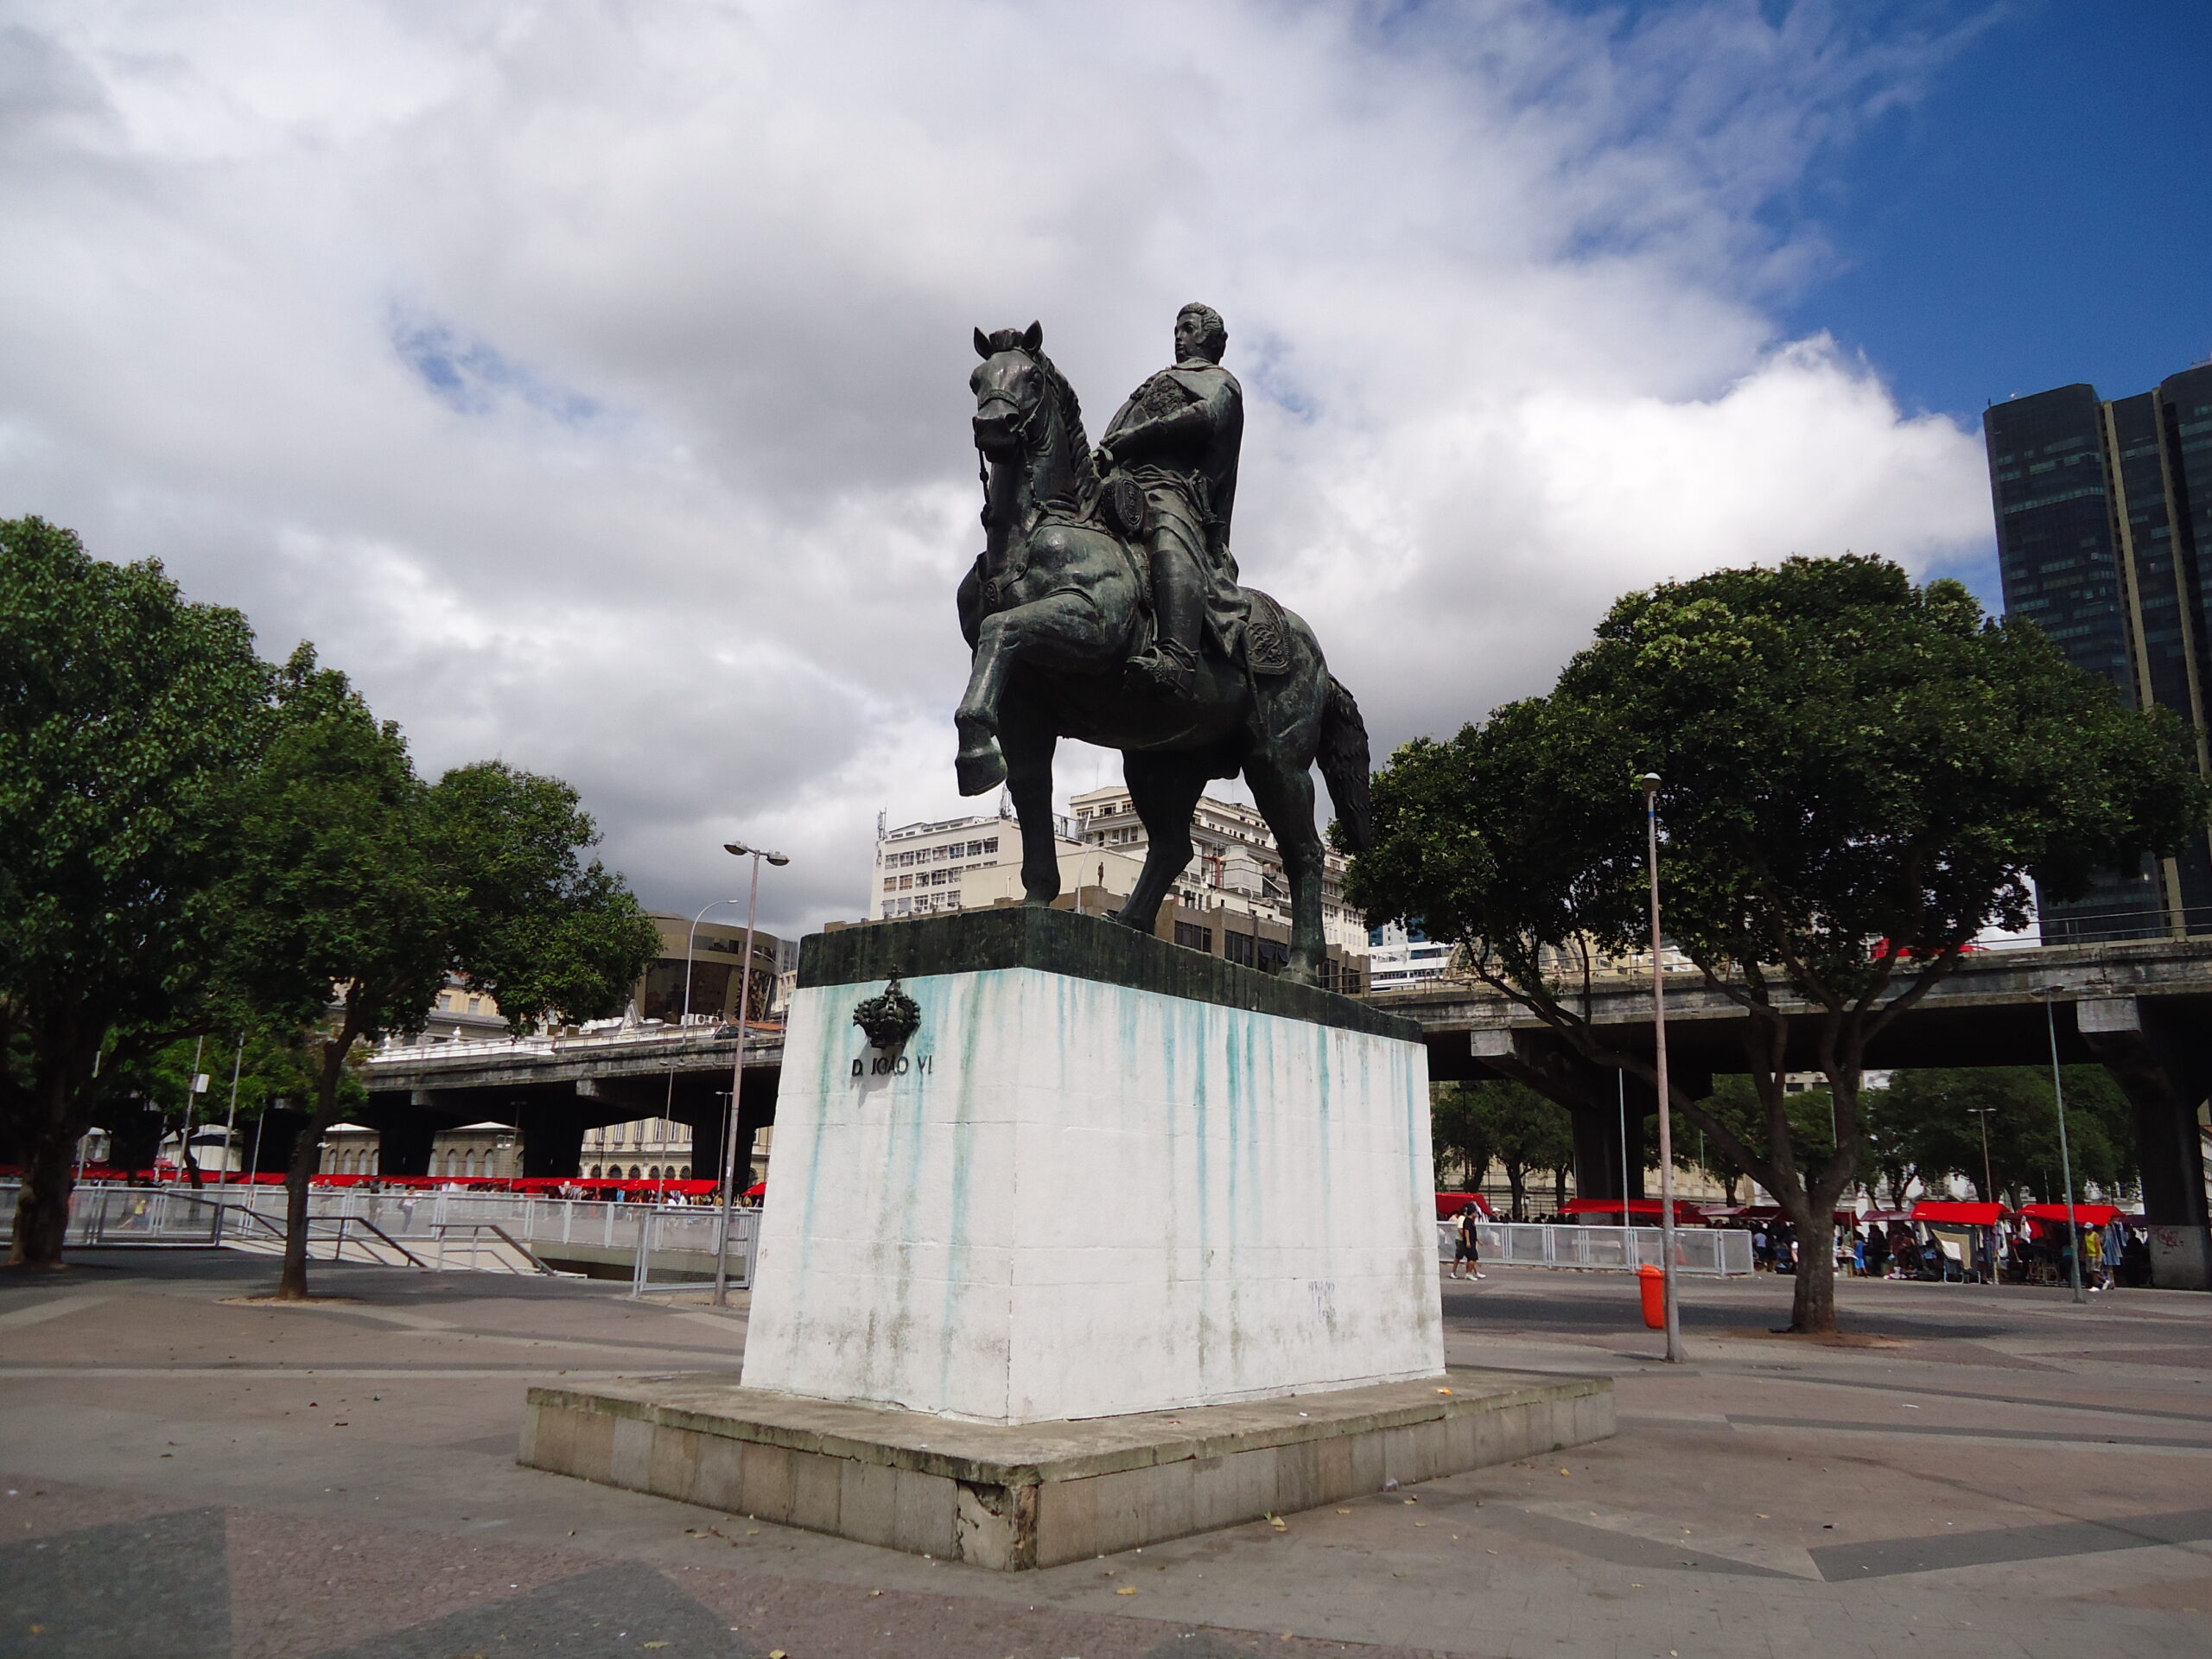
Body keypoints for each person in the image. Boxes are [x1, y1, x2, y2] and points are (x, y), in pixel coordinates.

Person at [1095, 303, 1249, 700]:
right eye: (1177, 329)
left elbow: (1205, 417)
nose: (1179, 337)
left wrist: (1139, 437)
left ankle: (1178, 658)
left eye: (1188, 329)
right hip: (1123, 486)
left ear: (1208, 338)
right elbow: (1116, 435)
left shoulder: (1220, 383)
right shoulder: (1153, 383)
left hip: (1173, 489)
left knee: (1168, 534)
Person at [1449, 1205, 1484, 1280]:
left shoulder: (1470, 1221)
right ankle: (1467, 1273)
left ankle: (1472, 1272)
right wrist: (1467, 1241)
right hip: (1465, 1241)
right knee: (1470, 1257)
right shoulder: (1466, 1220)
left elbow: (1472, 1232)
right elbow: (1465, 1230)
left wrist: (1477, 1240)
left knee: (1472, 1258)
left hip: (1471, 1241)